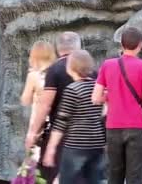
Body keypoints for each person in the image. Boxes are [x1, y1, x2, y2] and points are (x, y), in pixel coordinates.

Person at [92, 27, 142, 184]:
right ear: (141, 45)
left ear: (121, 45)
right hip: (136, 128)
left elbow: (95, 97)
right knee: (135, 176)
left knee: (114, 175)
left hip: (113, 127)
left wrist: (110, 96)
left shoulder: (107, 65)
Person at [25, 31, 82, 183]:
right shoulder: (91, 70)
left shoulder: (54, 70)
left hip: (59, 132)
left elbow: (45, 104)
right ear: (79, 48)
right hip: (87, 134)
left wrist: (33, 132)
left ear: (58, 49)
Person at [42, 50, 105, 184]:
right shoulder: (98, 88)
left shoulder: (72, 90)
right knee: (94, 180)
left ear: (71, 68)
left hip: (76, 144)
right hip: (97, 143)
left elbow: (61, 122)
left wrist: (51, 148)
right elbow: (105, 112)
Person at [20, 41, 57, 131]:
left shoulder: (34, 75)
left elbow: (26, 101)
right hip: (59, 123)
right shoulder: (59, 71)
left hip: (40, 123)